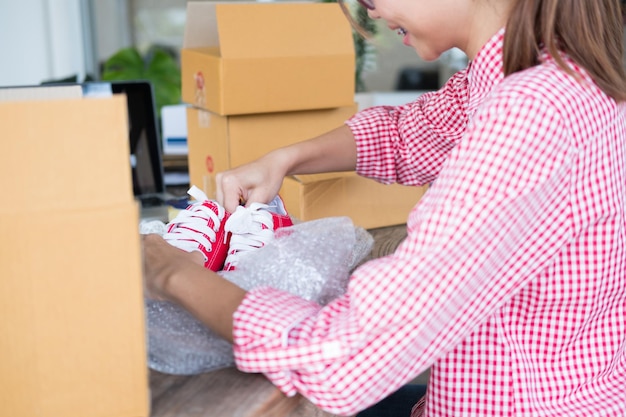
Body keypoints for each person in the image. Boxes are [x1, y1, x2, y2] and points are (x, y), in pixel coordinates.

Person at [142, 0, 626, 415]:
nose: (366, 8)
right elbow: (407, 133)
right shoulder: (546, 74)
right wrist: (286, 158)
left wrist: (173, 273)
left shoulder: (530, 113)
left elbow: (345, 355)